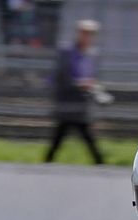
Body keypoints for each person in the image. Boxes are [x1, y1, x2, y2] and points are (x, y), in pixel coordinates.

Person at [44, 19, 104, 165]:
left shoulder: (91, 55)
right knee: (65, 136)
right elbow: (61, 77)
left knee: (65, 136)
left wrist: (94, 87)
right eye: (85, 33)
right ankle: (100, 163)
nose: (88, 37)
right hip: (67, 102)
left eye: (91, 34)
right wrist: (79, 84)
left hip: (81, 104)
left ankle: (47, 163)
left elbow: (91, 76)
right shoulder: (67, 53)